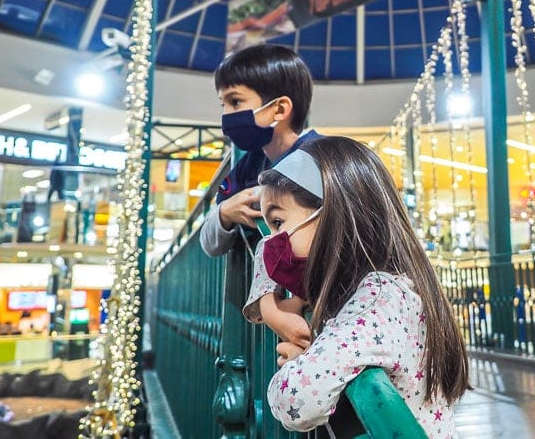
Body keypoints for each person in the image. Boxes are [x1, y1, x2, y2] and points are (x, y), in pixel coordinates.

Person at [252, 137, 469, 436]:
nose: (271, 243)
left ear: (332, 214)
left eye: (277, 222)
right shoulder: (383, 290)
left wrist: (296, 365)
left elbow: (297, 399)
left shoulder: (380, 297)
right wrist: (270, 306)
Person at [199, 44, 320, 345]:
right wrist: (226, 213)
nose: (226, 115)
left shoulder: (322, 161)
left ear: (279, 109)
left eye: (235, 101)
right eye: (223, 104)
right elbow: (209, 243)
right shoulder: (249, 164)